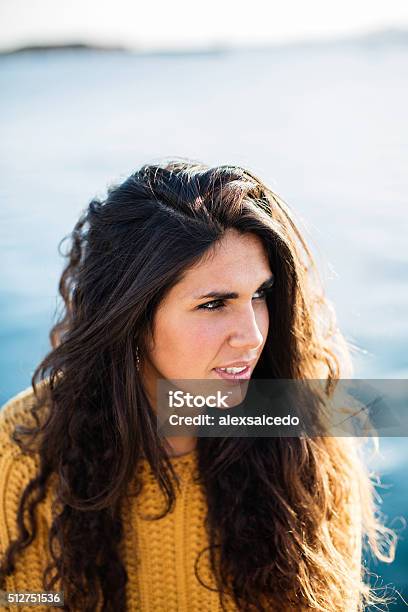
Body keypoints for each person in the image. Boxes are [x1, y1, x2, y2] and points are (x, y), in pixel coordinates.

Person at [0, 161, 396, 611]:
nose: (252, 335)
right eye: (213, 304)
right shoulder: (23, 452)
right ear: (130, 317)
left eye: (260, 295)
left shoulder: (305, 437)